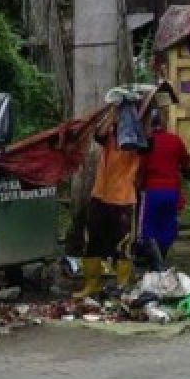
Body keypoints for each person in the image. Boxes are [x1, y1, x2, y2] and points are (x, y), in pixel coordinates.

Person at [75, 111, 144, 298]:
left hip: (123, 200)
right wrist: (115, 112)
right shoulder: (109, 137)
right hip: (100, 196)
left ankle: (122, 287)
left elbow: (147, 144)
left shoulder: (138, 140)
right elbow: (98, 133)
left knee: (123, 246)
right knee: (92, 242)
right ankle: (92, 284)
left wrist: (138, 115)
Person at [137, 109, 190, 260]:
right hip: (172, 192)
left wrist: (138, 184)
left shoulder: (146, 143)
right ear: (164, 123)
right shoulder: (175, 140)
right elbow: (186, 161)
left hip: (152, 191)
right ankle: (162, 259)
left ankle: (156, 263)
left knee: (148, 229)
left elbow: (141, 167)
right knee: (167, 227)